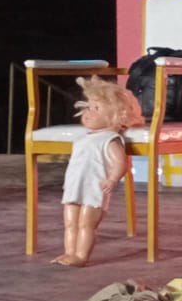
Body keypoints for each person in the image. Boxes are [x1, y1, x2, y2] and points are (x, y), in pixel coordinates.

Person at [53, 76, 141, 267]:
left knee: (86, 224)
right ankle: (69, 253)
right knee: (70, 223)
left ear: (115, 116)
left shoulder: (110, 139)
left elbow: (121, 162)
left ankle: (81, 256)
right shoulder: (83, 138)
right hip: (74, 187)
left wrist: (112, 179)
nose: (88, 112)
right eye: (88, 107)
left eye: (96, 108)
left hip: (93, 189)